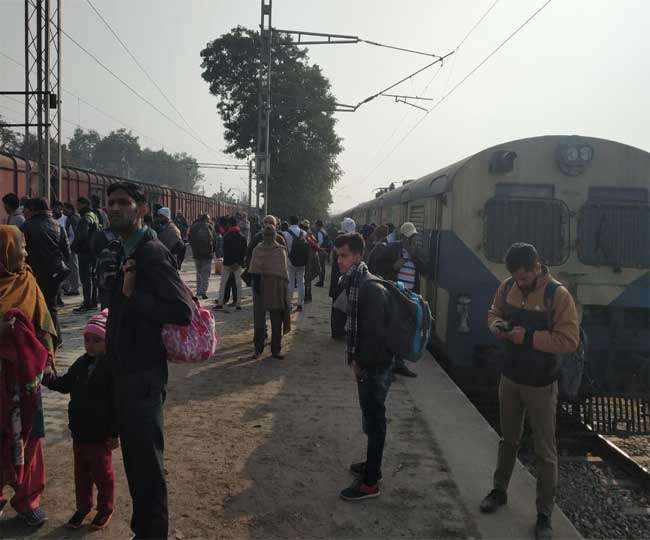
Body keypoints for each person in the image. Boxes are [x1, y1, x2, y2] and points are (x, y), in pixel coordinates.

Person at [105, 181, 192, 539]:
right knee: (136, 464)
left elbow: (182, 310)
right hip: (126, 372)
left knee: (146, 468)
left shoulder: (151, 253)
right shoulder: (127, 249)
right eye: (111, 203)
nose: (114, 208)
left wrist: (132, 295)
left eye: (123, 203)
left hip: (143, 376)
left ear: (141, 209)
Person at [480, 243, 579, 540]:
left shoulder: (558, 296)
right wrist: (497, 324)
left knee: (545, 451)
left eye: (524, 278)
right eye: (515, 277)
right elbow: (493, 312)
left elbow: (569, 340)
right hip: (510, 377)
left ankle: (544, 514)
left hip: (541, 383)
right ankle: (499, 491)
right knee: (508, 439)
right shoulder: (507, 286)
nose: (519, 283)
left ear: (537, 268)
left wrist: (529, 337)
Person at [0, 224, 57, 527]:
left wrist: (48, 359)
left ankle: (27, 499)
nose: (25, 252)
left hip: (26, 378)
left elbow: (43, 322)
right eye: (21, 246)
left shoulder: (27, 280)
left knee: (31, 437)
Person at [42, 310, 118, 530]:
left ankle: (105, 508)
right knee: (81, 474)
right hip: (79, 432)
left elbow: (117, 405)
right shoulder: (80, 363)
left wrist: (114, 433)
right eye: (87, 339)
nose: (90, 345)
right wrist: (47, 377)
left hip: (100, 434)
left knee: (103, 474)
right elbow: (64, 384)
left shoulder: (112, 368)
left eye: (96, 340)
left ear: (108, 341)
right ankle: (83, 507)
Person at [334, 232, 394, 501]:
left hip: (375, 366)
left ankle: (370, 482)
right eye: (337, 255)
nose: (339, 261)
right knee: (371, 418)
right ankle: (371, 465)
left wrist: (360, 364)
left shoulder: (369, 288)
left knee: (375, 420)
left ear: (358, 255)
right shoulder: (357, 282)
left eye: (344, 256)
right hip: (372, 363)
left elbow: (375, 336)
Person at [367, 221, 429, 378]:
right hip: (394, 294)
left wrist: (414, 256)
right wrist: (393, 266)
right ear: (402, 237)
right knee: (391, 330)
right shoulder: (392, 248)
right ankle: (388, 366)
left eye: (413, 237)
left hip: (410, 296)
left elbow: (426, 270)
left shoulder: (416, 251)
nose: (411, 240)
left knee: (405, 331)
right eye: (408, 238)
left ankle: (399, 364)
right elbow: (377, 267)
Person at [20, 197, 70, 342]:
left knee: (36, 307)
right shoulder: (58, 225)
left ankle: (41, 340)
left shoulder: (26, 226)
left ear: (33, 209)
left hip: (33, 273)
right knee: (52, 306)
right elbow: (67, 252)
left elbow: (20, 252)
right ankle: (56, 339)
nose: (24, 212)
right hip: (55, 273)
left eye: (26, 209)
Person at [248, 224, 291, 359]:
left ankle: (259, 349)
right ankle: (273, 350)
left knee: (261, 320)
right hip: (275, 288)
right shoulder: (280, 250)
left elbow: (254, 270)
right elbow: (284, 273)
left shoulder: (259, 249)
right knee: (274, 320)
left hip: (261, 287)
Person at [71, 197, 100, 313]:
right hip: (93, 251)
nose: (76, 207)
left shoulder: (85, 217)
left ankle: (87, 303)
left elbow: (82, 235)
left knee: (85, 278)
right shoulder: (93, 215)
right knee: (92, 277)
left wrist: (74, 246)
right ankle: (93, 302)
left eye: (77, 204)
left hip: (85, 251)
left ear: (83, 204)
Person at [214, 217, 247, 311]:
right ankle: (238, 304)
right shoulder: (242, 237)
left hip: (227, 264)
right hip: (237, 264)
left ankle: (220, 303)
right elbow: (244, 252)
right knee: (238, 284)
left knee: (223, 283)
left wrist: (229, 263)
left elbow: (225, 251)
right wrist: (238, 262)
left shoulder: (226, 236)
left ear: (229, 225)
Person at [282, 215, 308, 312]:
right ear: (298, 222)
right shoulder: (304, 233)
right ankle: (300, 304)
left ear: (290, 222)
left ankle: (289, 304)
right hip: (302, 261)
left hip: (290, 260)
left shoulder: (285, 233)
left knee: (290, 282)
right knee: (301, 282)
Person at [188, 214, 216, 299]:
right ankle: (203, 291)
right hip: (208, 254)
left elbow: (189, 239)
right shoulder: (210, 227)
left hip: (197, 254)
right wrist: (213, 251)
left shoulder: (194, 227)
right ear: (207, 219)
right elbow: (215, 240)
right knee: (205, 274)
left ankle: (198, 291)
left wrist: (194, 249)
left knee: (199, 272)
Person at [61, 203, 81, 296]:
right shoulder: (72, 218)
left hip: (72, 247)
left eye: (65, 209)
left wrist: (68, 245)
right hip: (72, 246)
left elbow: (73, 235)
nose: (64, 211)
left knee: (73, 267)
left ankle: (74, 288)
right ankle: (70, 286)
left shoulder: (73, 218)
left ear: (70, 209)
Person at [301, 220, 320, 304]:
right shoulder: (311, 234)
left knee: (306, 277)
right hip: (314, 256)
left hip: (308, 257)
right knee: (308, 277)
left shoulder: (303, 234)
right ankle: (308, 295)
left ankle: (307, 296)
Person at [314, 219, 330, 287]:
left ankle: (321, 281)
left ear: (318, 225)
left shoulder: (319, 232)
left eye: (315, 225)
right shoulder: (324, 231)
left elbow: (320, 242)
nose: (315, 226)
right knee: (322, 266)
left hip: (321, 250)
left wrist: (316, 246)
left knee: (320, 266)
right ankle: (321, 281)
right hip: (325, 250)